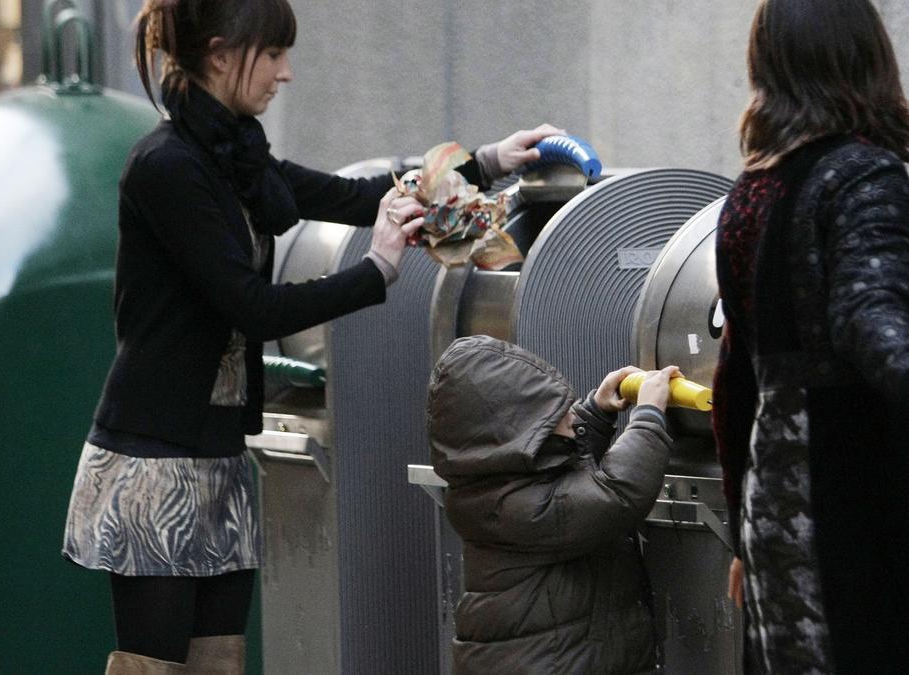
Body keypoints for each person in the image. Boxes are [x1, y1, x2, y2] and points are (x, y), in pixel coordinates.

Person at [59, 1, 564, 672]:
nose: (286, 73)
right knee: (154, 668)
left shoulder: (235, 156)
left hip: (217, 457)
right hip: (154, 465)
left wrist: (488, 162)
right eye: (272, 55)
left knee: (220, 660)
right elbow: (252, 305)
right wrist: (376, 270)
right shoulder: (168, 167)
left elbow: (354, 196)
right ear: (218, 55)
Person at [712, 1, 909, 673]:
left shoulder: (750, 193)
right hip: (869, 515)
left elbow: (736, 377)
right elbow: (867, 314)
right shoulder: (860, 174)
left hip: (779, 511)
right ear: (869, 55)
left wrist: (743, 530)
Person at [428, 334, 677, 674]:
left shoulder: (495, 484)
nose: (569, 417)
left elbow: (562, 472)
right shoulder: (518, 507)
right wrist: (648, 416)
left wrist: (596, 413)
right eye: (555, 412)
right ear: (519, 429)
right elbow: (616, 495)